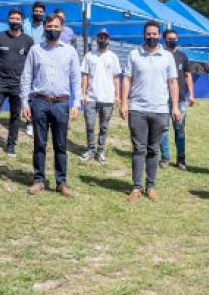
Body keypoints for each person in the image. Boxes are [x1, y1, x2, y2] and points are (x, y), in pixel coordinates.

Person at [20, 13, 81, 197]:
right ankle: (39, 180)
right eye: (49, 27)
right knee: (40, 143)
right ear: (44, 28)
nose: (53, 30)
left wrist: (76, 103)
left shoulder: (70, 51)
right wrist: (25, 102)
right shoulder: (35, 50)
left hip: (61, 103)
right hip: (39, 101)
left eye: (56, 27)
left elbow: (76, 79)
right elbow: (26, 77)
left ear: (61, 29)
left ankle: (61, 182)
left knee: (60, 145)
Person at [120, 21, 181, 202]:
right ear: (143, 35)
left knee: (154, 150)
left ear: (159, 35)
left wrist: (175, 106)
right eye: (148, 34)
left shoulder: (167, 57)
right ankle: (136, 187)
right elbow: (127, 79)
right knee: (139, 149)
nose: (151, 37)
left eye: (155, 34)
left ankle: (151, 186)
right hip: (137, 109)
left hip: (160, 110)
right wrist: (124, 103)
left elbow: (173, 82)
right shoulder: (134, 54)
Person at [0, 8, 33, 156]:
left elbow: (31, 63)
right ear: (8, 20)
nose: (15, 21)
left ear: (22, 21)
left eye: (17, 19)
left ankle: (11, 144)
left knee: (15, 115)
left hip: (19, 84)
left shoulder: (28, 41)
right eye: (12, 18)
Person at [80, 28, 121, 163]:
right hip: (91, 97)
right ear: (97, 39)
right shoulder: (89, 56)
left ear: (108, 40)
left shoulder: (113, 57)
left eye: (105, 38)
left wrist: (117, 95)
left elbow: (116, 77)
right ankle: (90, 149)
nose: (102, 40)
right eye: (100, 37)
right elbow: (85, 75)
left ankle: (101, 151)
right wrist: (83, 93)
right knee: (90, 125)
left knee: (104, 126)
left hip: (107, 98)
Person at [159, 29, 195, 170]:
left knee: (179, 130)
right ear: (164, 40)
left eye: (175, 38)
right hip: (162, 99)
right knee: (163, 130)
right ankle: (165, 158)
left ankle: (181, 160)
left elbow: (187, 76)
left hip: (180, 100)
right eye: (170, 38)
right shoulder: (160, 56)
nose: (172, 40)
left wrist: (191, 94)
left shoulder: (182, 56)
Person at [22, 1, 46, 137]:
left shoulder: (45, 25)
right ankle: (29, 122)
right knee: (28, 92)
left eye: (40, 12)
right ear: (33, 12)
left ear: (43, 13)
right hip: (27, 61)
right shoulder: (26, 23)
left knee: (39, 93)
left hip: (41, 62)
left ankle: (39, 120)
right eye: (36, 11)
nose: (38, 13)